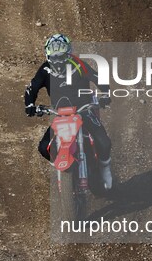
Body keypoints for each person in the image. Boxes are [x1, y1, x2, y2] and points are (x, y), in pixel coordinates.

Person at [24, 33, 113, 189]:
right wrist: (30, 105)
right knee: (44, 147)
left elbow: (98, 78)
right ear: (48, 55)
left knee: (103, 142)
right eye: (54, 57)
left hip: (84, 110)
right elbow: (32, 87)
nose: (57, 61)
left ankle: (105, 169)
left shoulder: (78, 64)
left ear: (68, 53)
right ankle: (64, 171)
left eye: (61, 56)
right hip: (61, 115)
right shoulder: (45, 69)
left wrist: (105, 94)